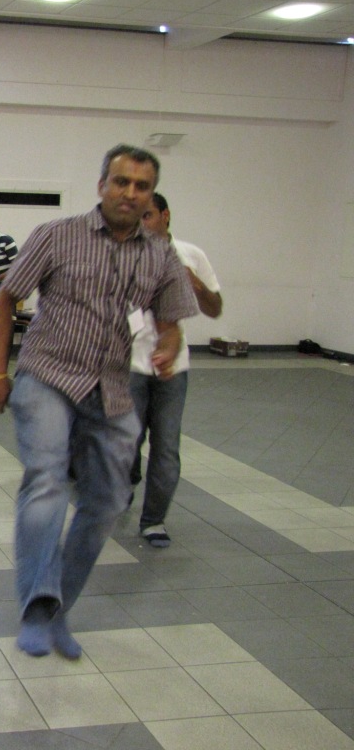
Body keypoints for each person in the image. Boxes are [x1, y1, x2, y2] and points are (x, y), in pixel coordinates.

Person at [0, 144, 198, 660]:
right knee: (48, 478)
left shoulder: (160, 254)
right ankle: (35, 605)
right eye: (121, 182)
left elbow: (170, 324)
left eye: (141, 186)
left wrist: (167, 348)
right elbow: (7, 297)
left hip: (110, 387)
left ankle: (58, 610)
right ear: (102, 184)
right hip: (48, 376)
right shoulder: (57, 236)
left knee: (108, 501)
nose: (130, 193)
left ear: (150, 196)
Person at [130, 192, 223, 548]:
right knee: (127, 441)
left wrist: (195, 283)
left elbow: (215, 308)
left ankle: (154, 520)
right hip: (131, 365)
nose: (143, 224)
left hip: (173, 369)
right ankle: (125, 484)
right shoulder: (125, 255)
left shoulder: (191, 254)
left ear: (165, 216)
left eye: (149, 216)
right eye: (138, 217)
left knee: (166, 447)